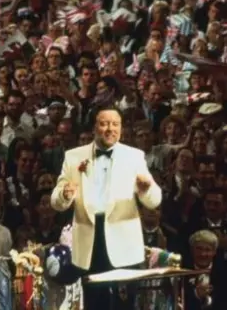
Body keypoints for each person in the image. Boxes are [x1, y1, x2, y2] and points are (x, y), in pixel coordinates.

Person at [51, 104, 162, 309]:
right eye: (104, 124)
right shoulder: (74, 156)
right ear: (95, 127)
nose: (110, 129)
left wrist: (146, 189)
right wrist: (65, 194)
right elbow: (56, 201)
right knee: (94, 301)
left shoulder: (134, 156)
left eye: (115, 124)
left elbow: (154, 200)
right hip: (89, 239)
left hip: (124, 240)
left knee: (124, 303)